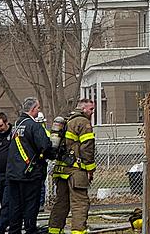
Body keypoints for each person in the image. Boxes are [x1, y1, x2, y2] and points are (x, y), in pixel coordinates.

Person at [47, 98, 96, 234]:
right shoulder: (83, 122)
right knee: (80, 203)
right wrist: (90, 168)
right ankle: (78, 231)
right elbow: (87, 148)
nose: (92, 112)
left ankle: (54, 230)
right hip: (76, 171)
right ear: (83, 108)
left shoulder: (66, 120)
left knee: (61, 202)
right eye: (91, 109)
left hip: (60, 169)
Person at [6, 97, 54, 234]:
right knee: (30, 204)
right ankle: (30, 229)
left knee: (15, 205)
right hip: (30, 173)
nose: (39, 110)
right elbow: (44, 146)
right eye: (38, 108)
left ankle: (14, 230)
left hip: (14, 172)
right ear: (33, 109)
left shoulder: (16, 125)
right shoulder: (34, 126)